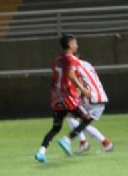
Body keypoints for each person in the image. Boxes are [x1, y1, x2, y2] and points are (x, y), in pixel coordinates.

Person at [35, 34, 94, 162]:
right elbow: (72, 76)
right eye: (75, 43)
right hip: (68, 98)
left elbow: (56, 77)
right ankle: (67, 140)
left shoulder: (56, 59)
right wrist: (83, 89)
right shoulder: (72, 59)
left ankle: (41, 151)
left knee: (56, 127)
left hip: (56, 98)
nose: (77, 45)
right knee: (88, 118)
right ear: (70, 45)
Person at [66, 56, 114, 154]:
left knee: (73, 118)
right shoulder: (87, 64)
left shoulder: (75, 66)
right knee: (80, 121)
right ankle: (105, 143)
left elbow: (80, 83)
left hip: (91, 98)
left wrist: (77, 96)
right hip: (99, 96)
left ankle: (85, 143)